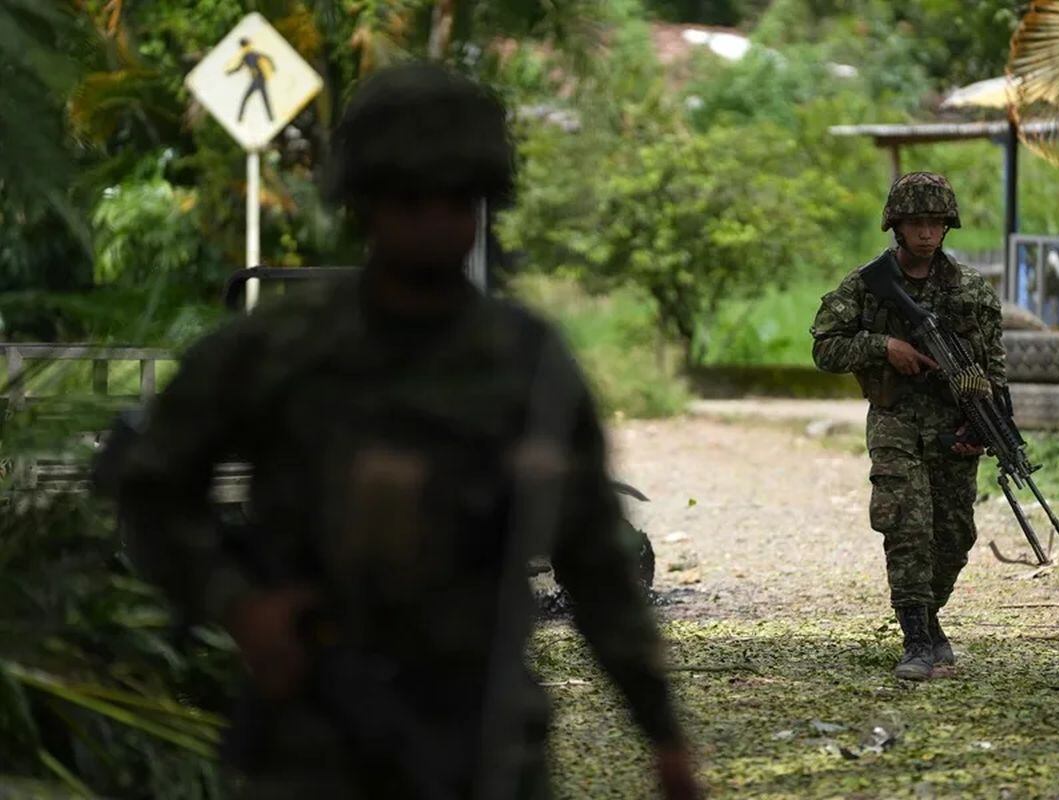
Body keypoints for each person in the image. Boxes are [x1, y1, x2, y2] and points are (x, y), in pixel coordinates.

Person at [115, 63, 699, 799]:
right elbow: (151, 485)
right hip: (313, 736)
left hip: (479, 735)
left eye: (459, 200)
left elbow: (593, 557)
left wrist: (663, 734)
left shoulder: (526, 360)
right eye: (410, 200)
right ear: (365, 204)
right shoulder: (277, 348)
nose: (435, 223)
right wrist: (238, 604)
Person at [809, 172, 1006, 682]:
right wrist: (883, 347)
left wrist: (993, 426)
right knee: (907, 528)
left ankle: (930, 617)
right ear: (896, 227)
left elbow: (994, 367)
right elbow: (825, 348)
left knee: (955, 535)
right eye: (915, 223)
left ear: (948, 227)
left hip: (953, 427)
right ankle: (916, 637)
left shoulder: (972, 292)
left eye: (935, 223)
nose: (925, 233)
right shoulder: (865, 285)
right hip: (896, 422)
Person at [227, 37, 276, 123]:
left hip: (260, 79)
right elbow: (239, 67)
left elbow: (268, 58)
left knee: (264, 99)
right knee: (248, 98)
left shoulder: (254, 54)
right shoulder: (245, 57)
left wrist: (273, 67)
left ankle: (271, 118)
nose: (245, 47)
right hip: (255, 80)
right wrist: (230, 72)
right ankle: (240, 118)